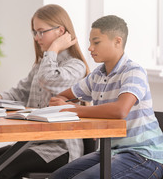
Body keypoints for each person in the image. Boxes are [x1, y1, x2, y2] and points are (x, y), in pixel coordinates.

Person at [0, 4, 89, 178]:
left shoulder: (75, 66)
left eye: (41, 31)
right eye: (34, 32)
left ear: (60, 31)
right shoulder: (41, 66)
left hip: (59, 148)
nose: (36, 38)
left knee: (0, 170)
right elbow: (19, 93)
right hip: (32, 143)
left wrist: (53, 49)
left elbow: (48, 80)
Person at [49, 15, 163, 179]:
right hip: (111, 151)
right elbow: (63, 97)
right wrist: (63, 105)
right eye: (90, 42)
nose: (90, 48)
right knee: (57, 177)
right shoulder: (97, 75)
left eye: (96, 42)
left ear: (117, 41)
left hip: (144, 156)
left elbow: (120, 110)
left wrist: (74, 110)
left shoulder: (134, 71)